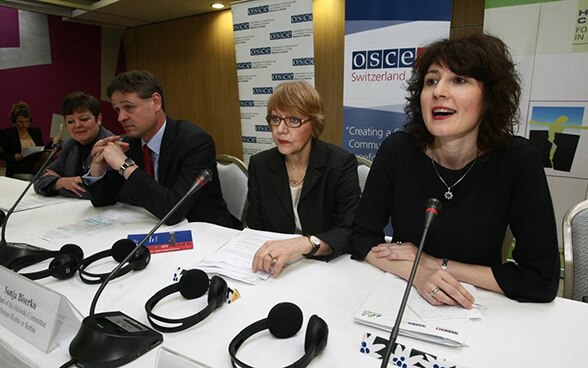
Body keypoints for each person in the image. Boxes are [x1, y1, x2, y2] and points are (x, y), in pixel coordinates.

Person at [351, 33, 560, 306]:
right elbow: (361, 237)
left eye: (459, 80)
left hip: (478, 302)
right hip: (400, 294)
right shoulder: (398, 149)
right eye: (431, 81)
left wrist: (434, 264)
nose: (439, 91)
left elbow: (540, 280)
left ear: (489, 97)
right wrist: (419, 275)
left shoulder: (517, 159)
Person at [85, 70, 232, 227]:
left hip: (204, 233)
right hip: (153, 227)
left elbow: (173, 212)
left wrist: (125, 165)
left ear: (155, 102)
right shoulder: (130, 144)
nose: (121, 118)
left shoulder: (195, 142)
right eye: (117, 110)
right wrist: (97, 169)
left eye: (129, 107)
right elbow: (103, 200)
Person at [247, 81, 361, 277]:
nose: (280, 129)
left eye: (293, 120)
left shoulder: (340, 163)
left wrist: (305, 243)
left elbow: (349, 229)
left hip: (325, 268)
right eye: (275, 118)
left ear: (314, 124)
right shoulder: (260, 164)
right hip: (275, 269)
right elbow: (255, 228)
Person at [33, 92, 113, 198]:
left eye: (84, 119)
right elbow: (39, 179)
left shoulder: (110, 145)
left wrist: (56, 186)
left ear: (98, 119)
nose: (77, 125)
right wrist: (60, 182)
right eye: (70, 121)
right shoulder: (68, 144)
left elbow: (96, 192)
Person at [0, 102, 46, 178]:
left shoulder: (36, 131)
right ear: (14, 121)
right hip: (17, 170)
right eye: (20, 122)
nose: (24, 125)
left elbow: (42, 149)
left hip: (35, 169)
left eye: (27, 122)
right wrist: (13, 157)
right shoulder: (6, 133)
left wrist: (53, 142)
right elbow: (1, 154)